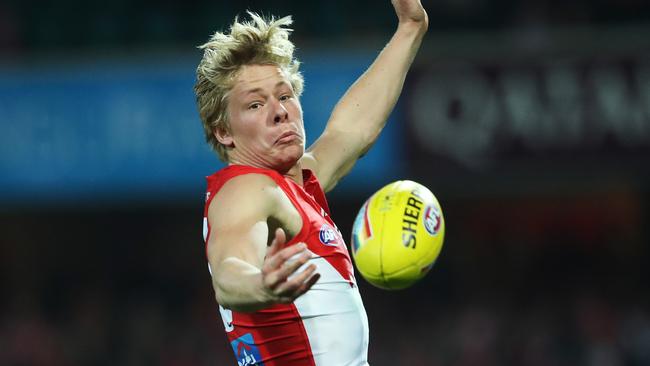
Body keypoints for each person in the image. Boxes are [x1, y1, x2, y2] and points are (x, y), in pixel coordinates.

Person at [194, 1, 428, 365]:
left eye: (285, 96)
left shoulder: (296, 183)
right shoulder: (247, 190)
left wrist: (410, 27)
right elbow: (228, 272)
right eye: (255, 105)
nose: (279, 110)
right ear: (224, 131)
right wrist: (260, 284)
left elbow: (353, 129)